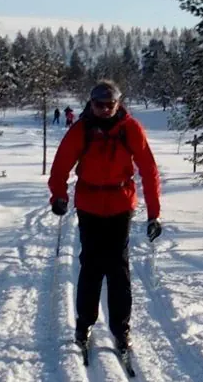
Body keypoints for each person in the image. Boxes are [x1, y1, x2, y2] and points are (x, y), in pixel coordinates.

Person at [48, 80, 163, 356]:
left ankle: (121, 329)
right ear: (92, 103)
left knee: (118, 268)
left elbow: (149, 170)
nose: (105, 109)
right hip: (89, 204)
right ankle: (84, 323)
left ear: (118, 103)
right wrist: (58, 196)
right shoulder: (81, 129)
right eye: (99, 105)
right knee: (91, 265)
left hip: (121, 204)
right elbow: (61, 165)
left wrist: (154, 214)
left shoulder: (130, 128)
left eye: (110, 104)